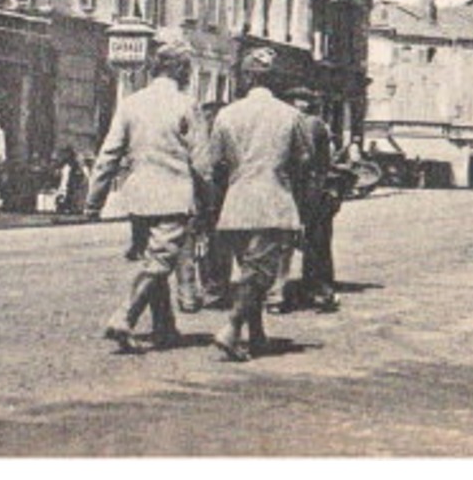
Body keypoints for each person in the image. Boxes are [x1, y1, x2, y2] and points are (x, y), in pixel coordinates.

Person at [85, 32, 209, 352]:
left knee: (154, 260)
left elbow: (108, 155)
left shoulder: (131, 104)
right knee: (159, 262)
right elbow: (202, 162)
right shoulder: (187, 105)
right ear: (182, 71)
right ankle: (123, 316)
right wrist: (208, 201)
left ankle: (165, 327)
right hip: (174, 196)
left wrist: (93, 202)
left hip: (139, 197)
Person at [205, 47, 314, 361]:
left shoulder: (226, 114)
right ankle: (232, 328)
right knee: (259, 275)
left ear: (247, 77)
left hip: (236, 203)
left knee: (249, 271)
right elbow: (304, 160)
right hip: (273, 202)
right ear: (274, 79)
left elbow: (215, 162)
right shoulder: (291, 115)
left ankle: (257, 335)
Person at [287, 85, 340, 312]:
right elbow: (324, 161)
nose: (301, 104)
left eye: (302, 100)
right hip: (311, 190)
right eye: (298, 100)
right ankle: (319, 288)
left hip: (298, 188)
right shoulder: (316, 124)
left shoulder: (305, 124)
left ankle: (314, 287)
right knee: (317, 242)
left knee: (310, 241)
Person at [53, 147, 87, 215]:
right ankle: (66, 206)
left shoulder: (74, 167)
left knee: (72, 196)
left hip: (71, 188)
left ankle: (71, 207)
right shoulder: (67, 167)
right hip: (68, 188)